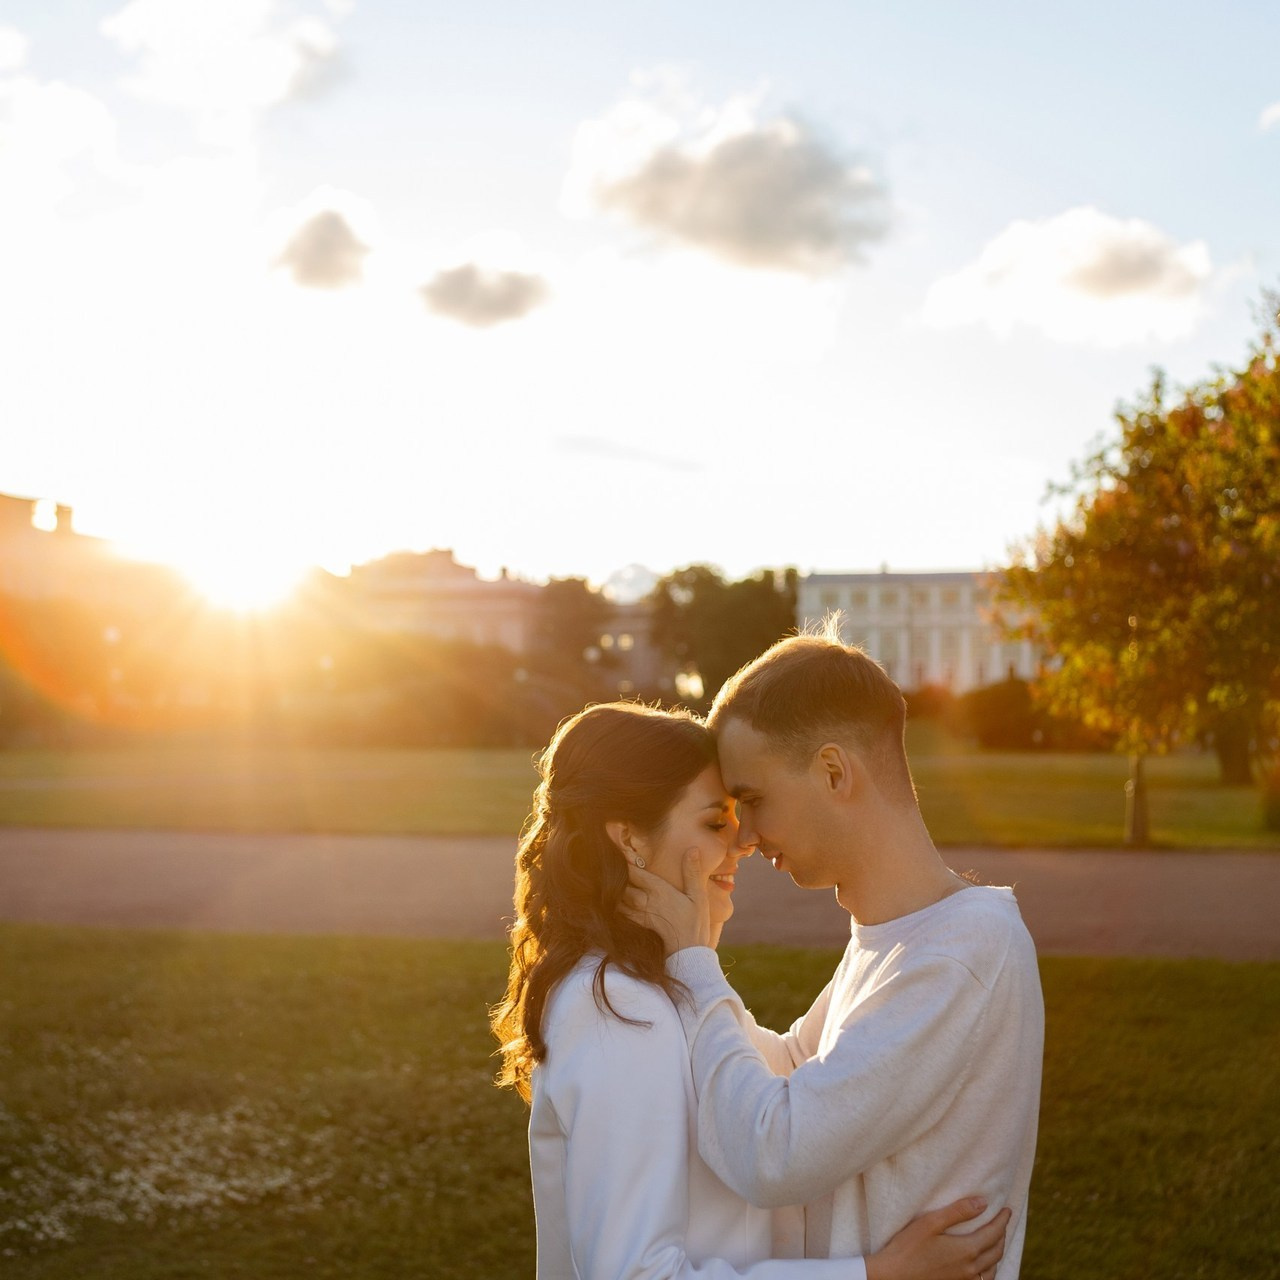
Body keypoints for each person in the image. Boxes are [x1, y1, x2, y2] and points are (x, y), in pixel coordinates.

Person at [492, 701, 1011, 1280]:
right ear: (630, 842)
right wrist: (877, 1275)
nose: (743, 841)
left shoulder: (660, 988)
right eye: (716, 822)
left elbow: (783, 1067)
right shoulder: (616, 1006)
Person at [623, 626, 1044, 1277]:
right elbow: (794, 1063)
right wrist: (684, 953)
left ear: (833, 772)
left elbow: (773, 1153)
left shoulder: (961, 955)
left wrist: (694, 969)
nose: (747, 837)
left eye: (754, 801)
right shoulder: (900, 936)